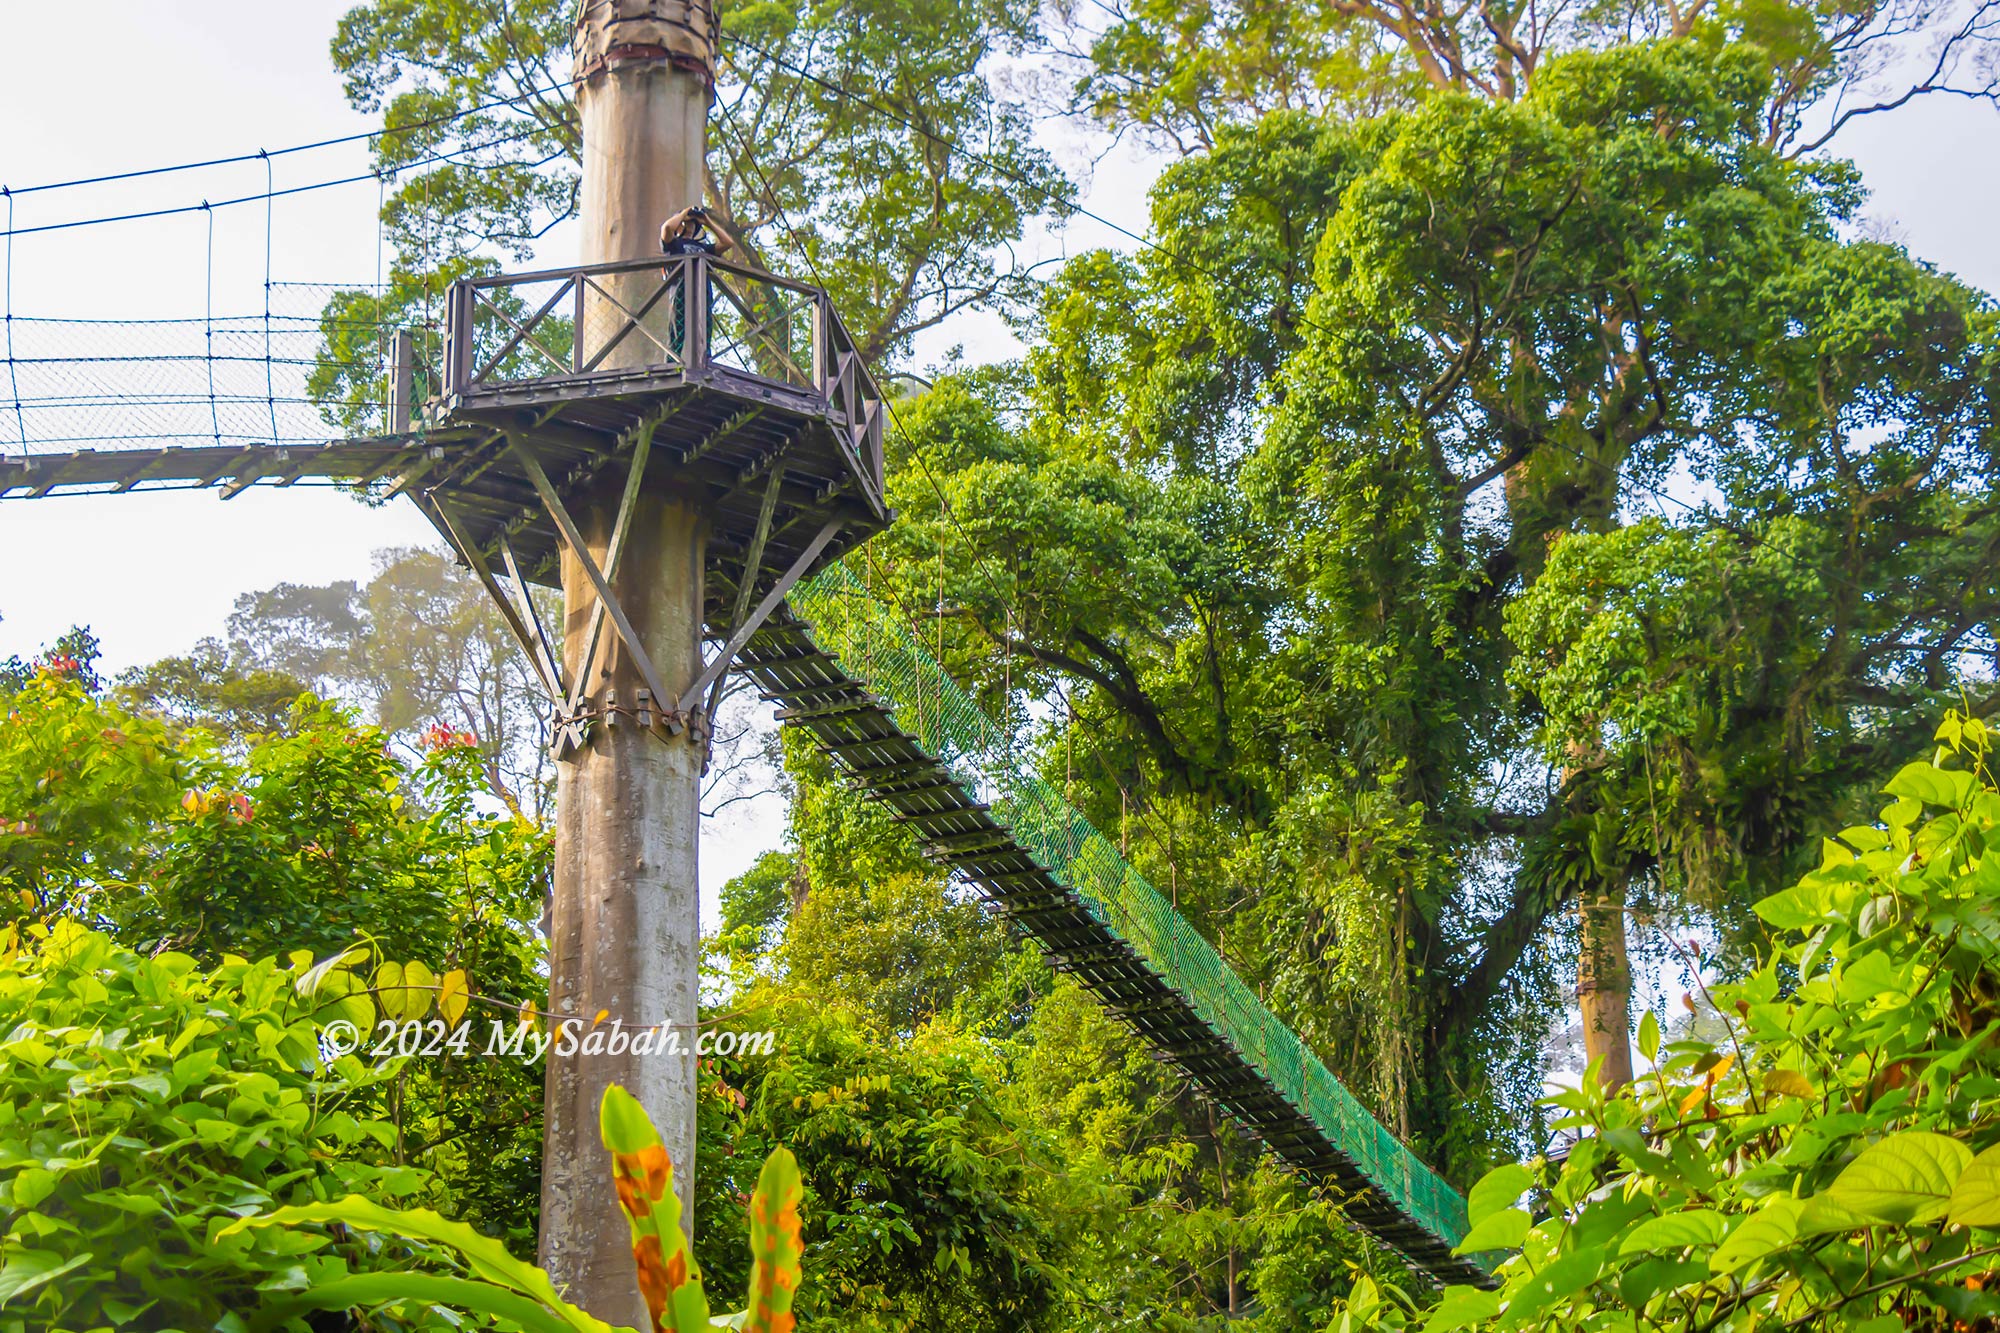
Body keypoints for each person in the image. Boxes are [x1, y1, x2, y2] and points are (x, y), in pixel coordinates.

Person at [659, 205, 736, 258]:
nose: (691, 225)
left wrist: (708, 222)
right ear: (678, 225)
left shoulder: (704, 247)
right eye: (688, 222)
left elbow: (728, 243)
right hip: (680, 281)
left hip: (700, 281)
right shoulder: (673, 243)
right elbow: (667, 227)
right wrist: (683, 214)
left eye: (694, 223)